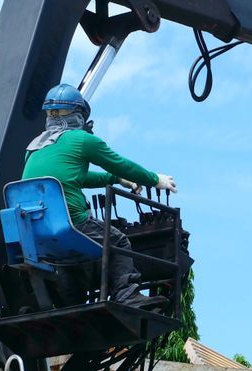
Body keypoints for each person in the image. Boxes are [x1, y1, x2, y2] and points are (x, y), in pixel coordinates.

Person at [22, 83, 177, 308]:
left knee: (69, 259)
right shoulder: (83, 140)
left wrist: (114, 179)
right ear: (79, 114)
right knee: (117, 241)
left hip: (35, 229)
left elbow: (72, 177)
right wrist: (155, 179)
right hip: (71, 220)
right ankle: (127, 294)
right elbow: (121, 164)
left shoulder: (34, 148)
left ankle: (70, 307)